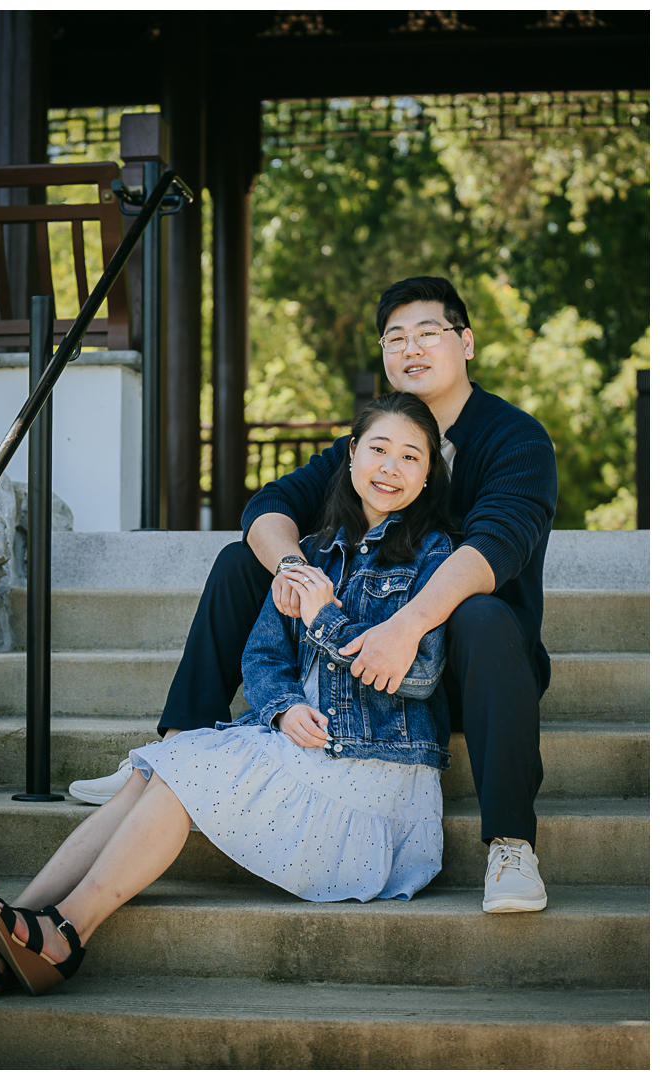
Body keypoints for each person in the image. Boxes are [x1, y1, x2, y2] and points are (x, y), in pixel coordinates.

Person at [73, 275, 556, 916]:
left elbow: (493, 547)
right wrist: (298, 574)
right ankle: (171, 751)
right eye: (395, 337)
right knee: (241, 562)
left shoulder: (514, 439)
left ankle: (511, 845)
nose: (411, 348)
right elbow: (270, 507)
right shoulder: (374, 439)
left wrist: (407, 627)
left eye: (429, 333)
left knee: (485, 615)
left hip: (465, 667)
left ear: (465, 343)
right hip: (353, 661)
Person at [0, 393, 457, 997]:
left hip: (373, 771)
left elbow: (417, 674)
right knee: (154, 771)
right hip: (303, 741)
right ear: (350, 456)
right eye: (378, 449)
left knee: (177, 772)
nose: (390, 468)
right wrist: (282, 705)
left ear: (428, 475)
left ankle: (65, 933)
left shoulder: (434, 556)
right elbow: (264, 656)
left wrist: (324, 617)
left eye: (410, 457)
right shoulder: (315, 551)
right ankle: (19, 927)